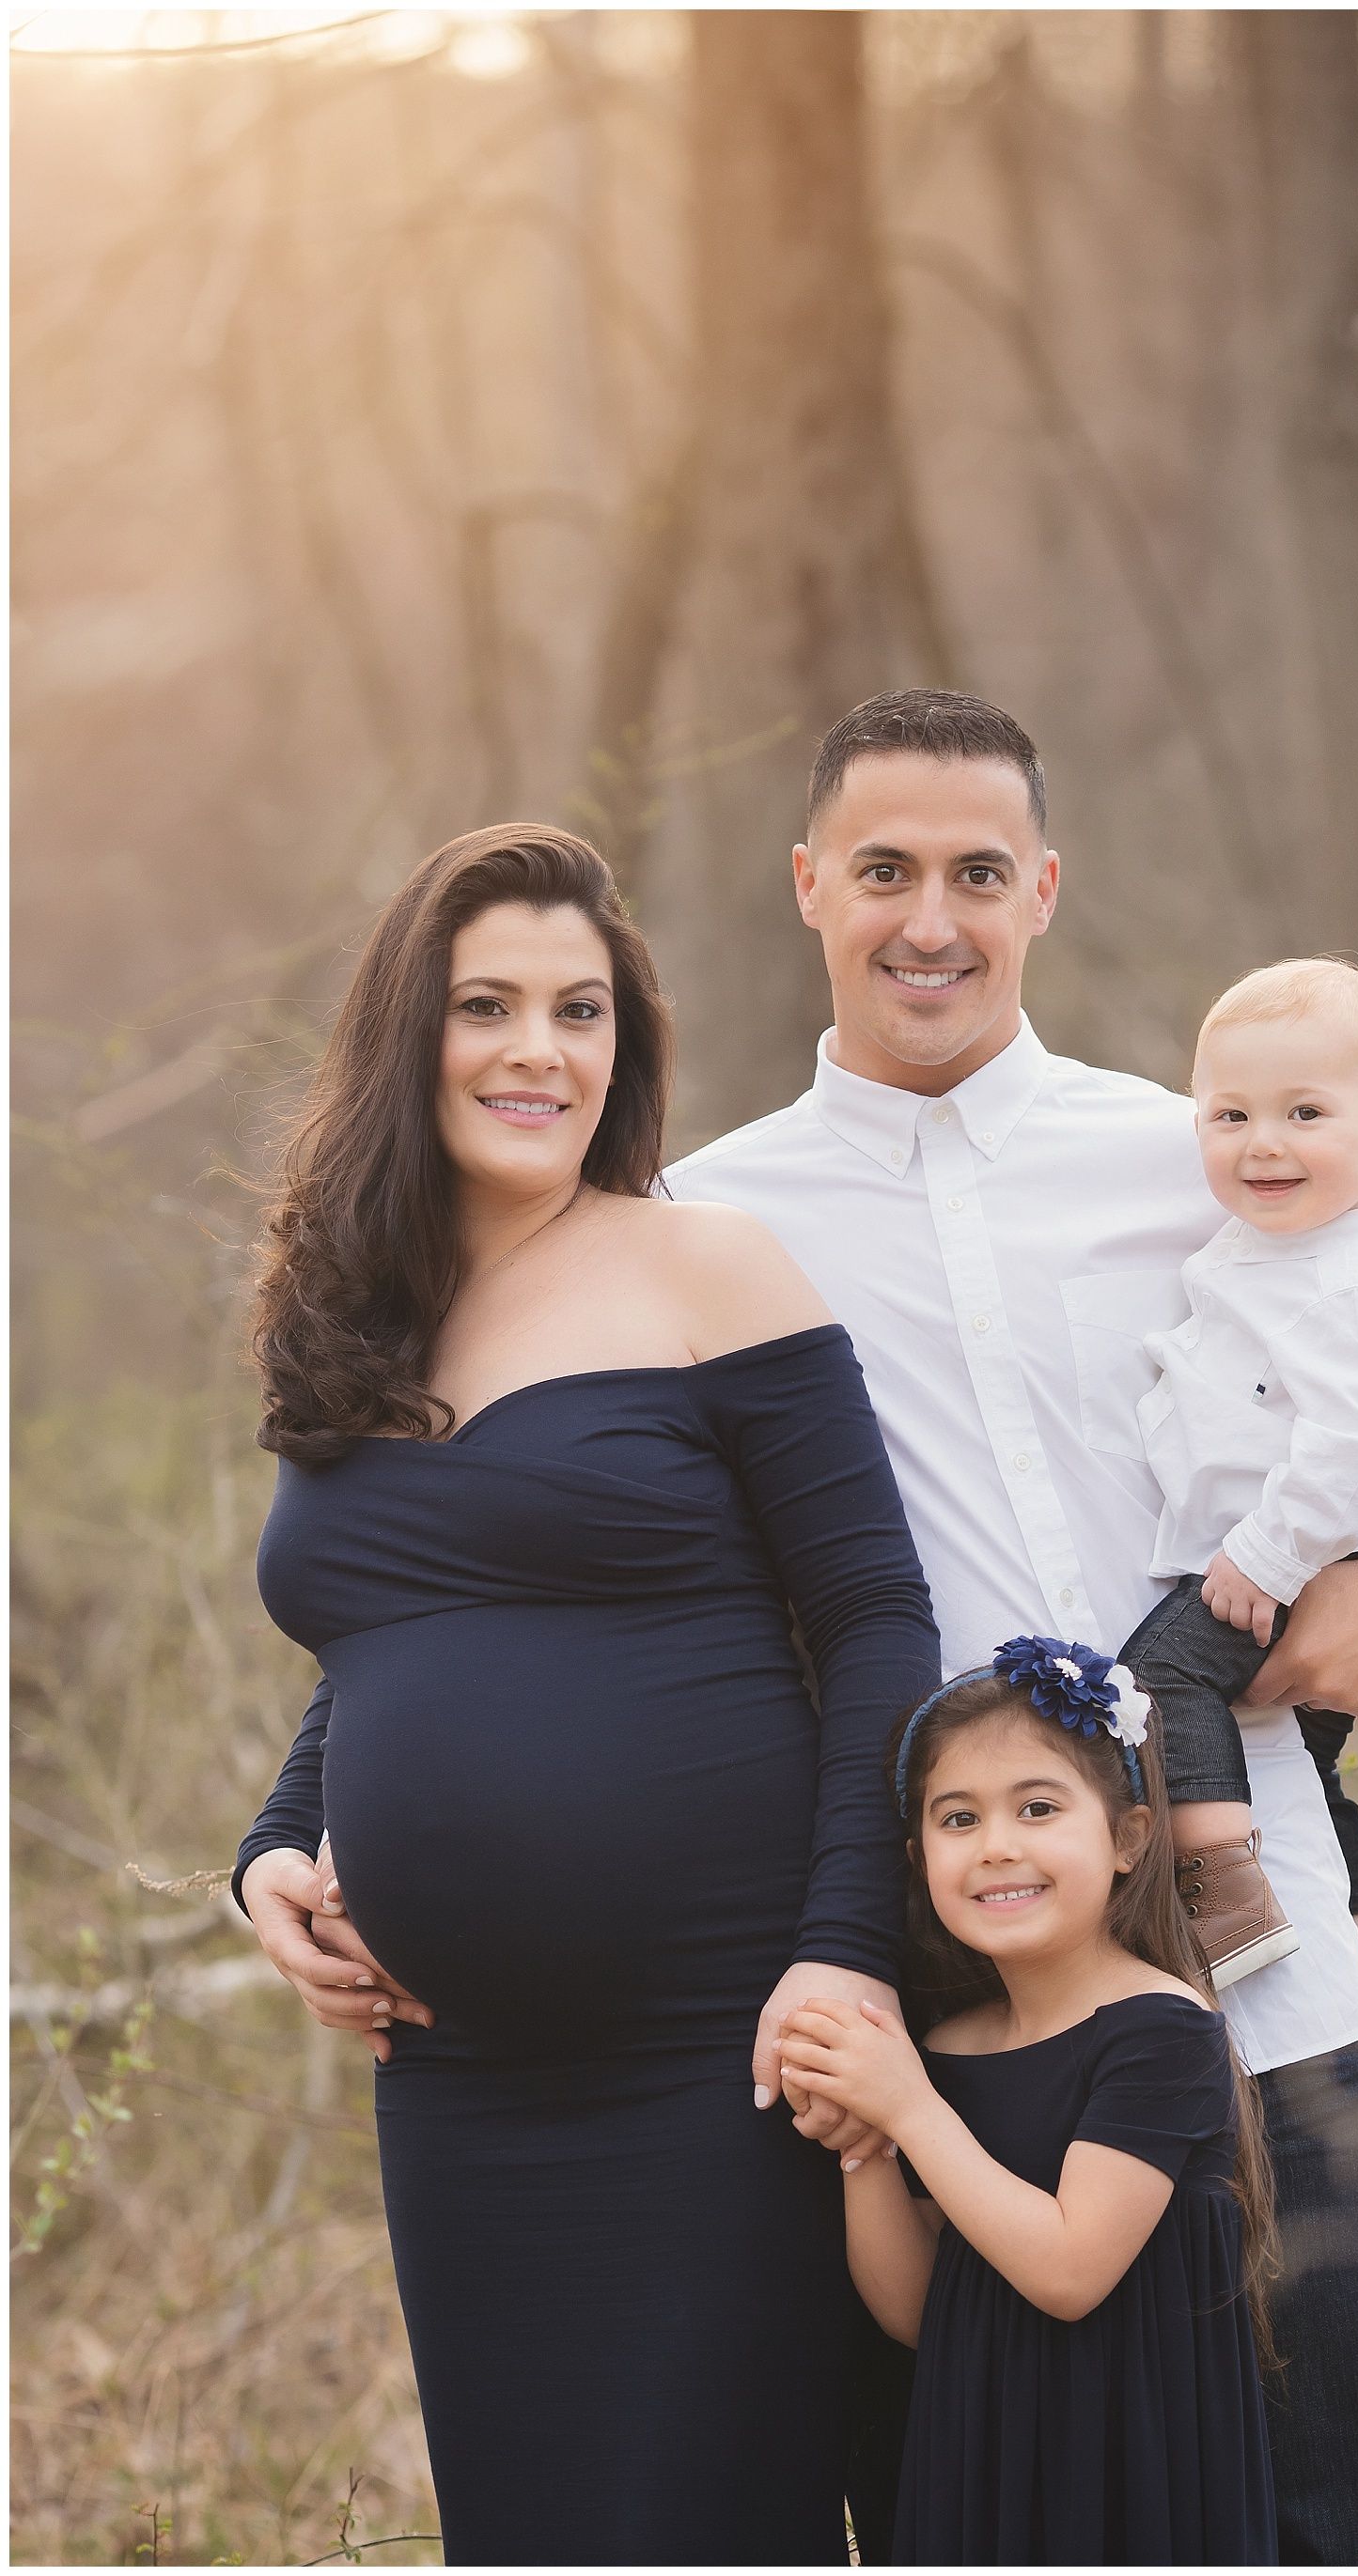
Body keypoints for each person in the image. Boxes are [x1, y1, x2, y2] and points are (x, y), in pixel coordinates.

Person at [665, 688, 1358, 2566]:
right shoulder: (708, 1221)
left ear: (1043, 888)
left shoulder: (1200, 1154)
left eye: (980, 872)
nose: (932, 919)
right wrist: (315, 1808)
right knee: (972, 2501)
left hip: (1259, 1945)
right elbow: (552, 1540)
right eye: (883, 870)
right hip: (955, 1996)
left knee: (1327, 2501)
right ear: (808, 883)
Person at [233, 824, 940, 2566]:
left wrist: (847, 1949)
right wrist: (273, 1847)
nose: (536, 1049)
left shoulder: (707, 1268)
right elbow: (383, 1638)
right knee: (534, 2522)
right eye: (487, 1005)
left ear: (625, 1043)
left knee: (722, 2511)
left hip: (722, 2047)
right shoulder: (355, 1316)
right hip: (459, 2079)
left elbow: (872, 1615)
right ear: (409, 1034)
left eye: (581, 1009)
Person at [779, 1637, 1278, 2566]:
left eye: (1038, 1808)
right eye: (957, 1819)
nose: (998, 1845)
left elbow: (1068, 2270)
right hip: (984, 2471)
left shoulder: (1160, 2030)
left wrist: (911, 2111)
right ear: (917, 1854)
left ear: (1129, 1837)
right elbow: (919, 2312)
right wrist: (867, 2141)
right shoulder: (945, 2051)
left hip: (1131, 2480)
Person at [1122, 954, 1358, 2025]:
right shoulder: (1317, 1239)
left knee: (1162, 1675)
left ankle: (1220, 1894)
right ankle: (1357, 1928)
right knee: (1313, 1763)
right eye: (1229, 1114)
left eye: (1304, 1112)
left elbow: (1355, 1447)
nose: (1262, 1142)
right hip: (1292, 1546)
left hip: (1295, 1556)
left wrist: (1263, 1560)